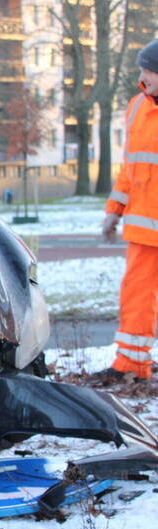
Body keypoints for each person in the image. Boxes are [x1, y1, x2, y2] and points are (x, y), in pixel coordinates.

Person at [100, 38, 158, 382]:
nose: (142, 75)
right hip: (143, 229)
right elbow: (130, 169)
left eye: (148, 68)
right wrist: (114, 210)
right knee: (135, 297)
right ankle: (130, 367)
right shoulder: (137, 106)